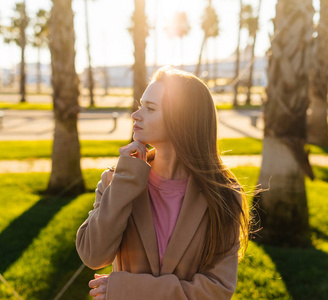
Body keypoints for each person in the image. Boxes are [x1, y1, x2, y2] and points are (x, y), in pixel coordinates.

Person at [76, 66, 250, 300]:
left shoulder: (224, 196)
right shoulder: (115, 179)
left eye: (150, 108)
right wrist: (125, 179)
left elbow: (217, 290)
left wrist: (128, 290)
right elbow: (93, 255)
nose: (135, 115)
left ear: (182, 118)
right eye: (140, 105)